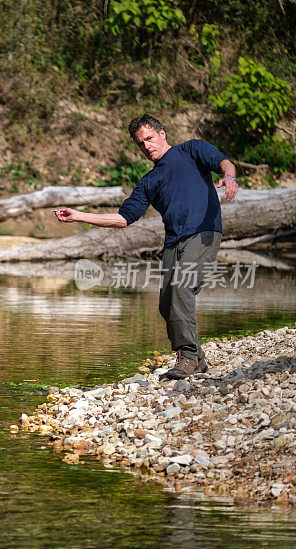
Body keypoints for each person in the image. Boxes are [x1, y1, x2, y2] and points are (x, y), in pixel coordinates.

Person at [55, 114, 238, 380]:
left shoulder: (191, 150)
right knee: (166, 303)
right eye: (141, 143)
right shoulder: (148, 182)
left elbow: (223, 162)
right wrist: (80, 215)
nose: (147, 146)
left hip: (204, 231)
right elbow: (122, 219)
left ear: (162, 133)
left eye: (149, 139)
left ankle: (186, 357)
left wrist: (229, 177)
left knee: (182, 287)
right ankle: (197, 359)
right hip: (174, 241)